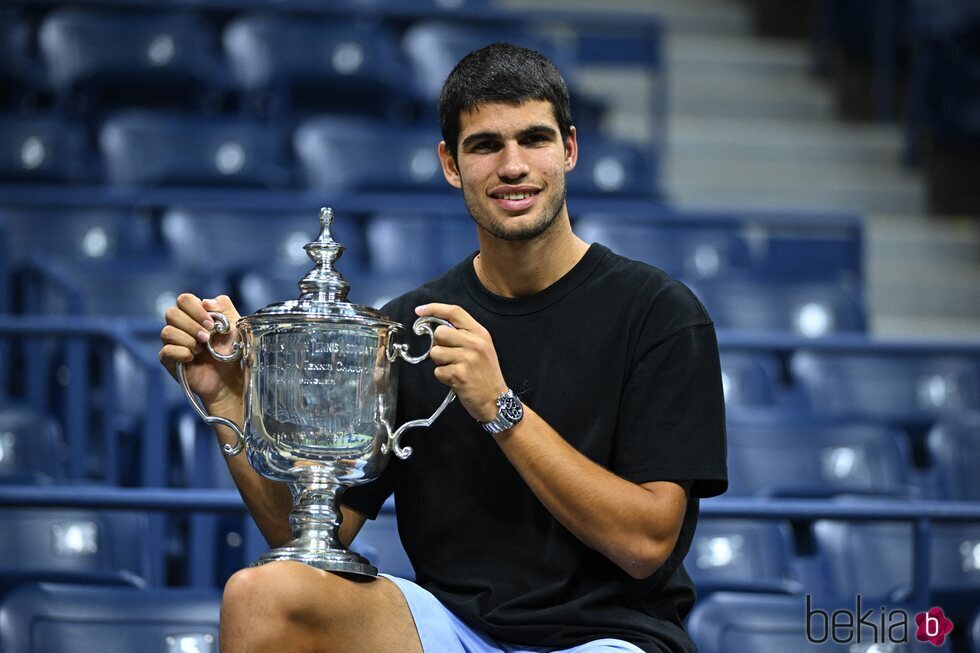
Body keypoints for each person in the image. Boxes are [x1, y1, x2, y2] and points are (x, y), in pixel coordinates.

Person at [159, 42, 727, 653]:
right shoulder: (408, 327)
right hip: (448, 629)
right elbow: (310, 531)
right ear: (451, 164)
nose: (513, 166)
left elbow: (645, 547)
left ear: (569, 148)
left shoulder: (661, 314)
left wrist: (499, 408)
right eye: (485, 145)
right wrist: (228, 401)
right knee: (261, 595)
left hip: (609, 637)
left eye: (534, 139)